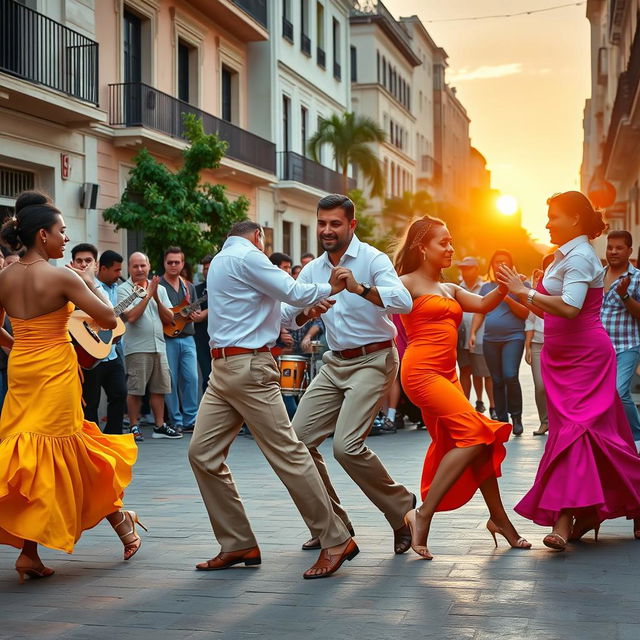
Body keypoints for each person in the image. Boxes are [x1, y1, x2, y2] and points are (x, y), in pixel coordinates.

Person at [188, 220, 359, 580]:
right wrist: (329, 286)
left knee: (284, 453)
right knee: (208, 454)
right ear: (258, 236)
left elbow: (279, 309)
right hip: (230, 369)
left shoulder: (227, 259)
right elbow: (293, 293)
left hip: (244, 366)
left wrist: (305, 310)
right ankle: (238, 542)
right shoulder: (246, 256)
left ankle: (335, 538)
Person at [0, 191, 142, 583]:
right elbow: (107, 318)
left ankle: (31, 552)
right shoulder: (63, 275)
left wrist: (20, 347)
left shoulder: (4, 276)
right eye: (62, 232)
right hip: (55, 371)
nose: (66, 239)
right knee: (62, 452)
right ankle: (118, 521)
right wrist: (87, 282)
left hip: (22, 370)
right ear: (42, 235)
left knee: (35, 455)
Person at [498, 191, 640, 549]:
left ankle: (564, 519)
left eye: (553, 216)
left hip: (585, 360)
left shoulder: (578, 257)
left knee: (573, 436)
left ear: (575, 219)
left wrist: (526, 291)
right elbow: (550, 312)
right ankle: (592, 512)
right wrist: (520, 291)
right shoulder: (565, 257)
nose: (547, 223)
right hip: (562, 360)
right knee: (597, 439)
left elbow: (571, 308)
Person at [282, 194, 416, 555]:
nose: (326, 230)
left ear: (351, 225)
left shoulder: (373, 259)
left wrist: (360, 288)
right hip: (334, 363)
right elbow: (286, 315)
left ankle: (400, 509)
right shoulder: (312, 271)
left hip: (374, 359)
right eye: (322, 223)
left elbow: (404, 301)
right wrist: (307, 313)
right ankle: (333, 524)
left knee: (346, 447)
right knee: (296, 445)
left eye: (335, 223)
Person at [395, 216, 530, 559]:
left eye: (451, 241)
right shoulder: (406, 283)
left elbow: (483, 305)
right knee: (474, 435)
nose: (450, 248)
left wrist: (506, 285)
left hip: (448, 374)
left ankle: (500, 521)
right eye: (443, 242)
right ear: (422, 247)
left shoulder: (450, 289)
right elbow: (377, 299)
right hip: (422, 374)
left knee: (480, 445)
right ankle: (422, 514)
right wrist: (355, 287)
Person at [118, 252, 180, 442]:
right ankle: (134, 426)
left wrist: (157, 298)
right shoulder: (123, 290)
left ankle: (159, 426)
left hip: (158, 346)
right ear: (129, 268)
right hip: (137, 347)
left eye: (142, 266)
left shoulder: (159, 290)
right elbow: (131, 317)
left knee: (158, 389)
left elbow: (170, 318)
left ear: (149, 266)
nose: (139, 270)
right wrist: (148, 296)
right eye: (135, 266)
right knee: (135, 390)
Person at [470, 250, 529, 435]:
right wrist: (473, 333)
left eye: (504, 262)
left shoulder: (521, 285)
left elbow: (525, 313)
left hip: (514, 337)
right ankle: (502, 420)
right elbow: (480, 311)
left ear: (511, 266)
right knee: (496, 379)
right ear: (491, 266)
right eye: (496, 262)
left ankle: (516, 417)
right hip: (490, 339)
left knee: (510, 375)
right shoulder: (487, 288)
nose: (499, 265)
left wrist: (505, 297)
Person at [81, 250, 128, 435]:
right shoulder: (88, 286)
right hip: (93, 353)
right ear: (103, 268)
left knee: (120, 393)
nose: (119, 274)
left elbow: (116, 317)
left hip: (113, 352)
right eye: (116, 270)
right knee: (91, 401)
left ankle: (113, 436)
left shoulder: (116, 288)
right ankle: (93, 439)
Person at [601, 230, 640, 442]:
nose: (613, 252)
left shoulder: (637, 278)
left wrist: (625, 295)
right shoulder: (597, 276)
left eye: (619, 248)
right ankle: (609, 438)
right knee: (601, 396)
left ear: (629, 251)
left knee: (618, 391)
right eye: (610, 247)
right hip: (599, 348)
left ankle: (637, 435)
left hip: (627, 345)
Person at [159, 247, 200, 433]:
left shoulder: (188, 286)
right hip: (167, 338)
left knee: (192, 378)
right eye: (170, 262)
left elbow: (196, 312)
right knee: (171, 380)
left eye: (177, 262)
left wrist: (194, 315)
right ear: (164, 263)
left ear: (183, 264)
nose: (174, 265)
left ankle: (191, 418)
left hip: (188, 336)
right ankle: (176, 419)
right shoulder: (158, 286)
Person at [525, 260, 552, 436]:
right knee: (540, 385)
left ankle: (558, 421)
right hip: (537, 344)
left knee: (556, 386)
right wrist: (527, 346)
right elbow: (530, 320)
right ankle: (545, 421)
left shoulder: (561, 288)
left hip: (557, 342)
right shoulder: (535, 291)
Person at [194, 254, 213, 394]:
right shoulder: (197, 289)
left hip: (220, 339)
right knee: (207, 377)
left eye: (210, 267)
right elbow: (189, 308)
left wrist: (206, 312)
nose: (207, 271)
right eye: (205, 268)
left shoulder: (225, 287)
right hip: (201, 338)